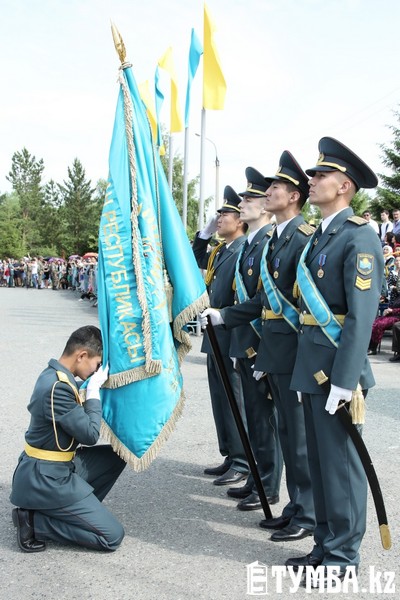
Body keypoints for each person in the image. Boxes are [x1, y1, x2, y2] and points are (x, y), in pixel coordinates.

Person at [202, 151, 316, 542]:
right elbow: (262, 299)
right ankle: (295, 506)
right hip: (268, 347)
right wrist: (226, 317)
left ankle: (305, 511)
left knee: (296, 438)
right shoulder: (270, 242)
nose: (265, 194)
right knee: (282, 431)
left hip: (292, 351)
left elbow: (304, 304)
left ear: (295, 196)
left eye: (273, 188)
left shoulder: (301, 237)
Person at [287, 137, 384, 581]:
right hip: (310, 368)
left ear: (344, 185)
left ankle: (343, 557)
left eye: (321, 175)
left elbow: (361, 318)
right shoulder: (321, 236)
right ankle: (324, 544)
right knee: (321, 466)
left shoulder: (359, 237)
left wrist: (345, 381)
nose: (313, 180)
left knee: (342, 468)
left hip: (337, 374)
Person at [10, 325, 126, 553]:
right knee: (112, 536)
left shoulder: (55, 374)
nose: (96, 370)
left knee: (117, 455)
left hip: (57, 467)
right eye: (96, 363)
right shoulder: (57, 388)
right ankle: (35, 521)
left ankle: (72, 512)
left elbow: (75, 393)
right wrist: (93, 392)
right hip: (45, 478)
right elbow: (90, 435)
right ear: (82, 355)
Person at [221, 167, 282, 511]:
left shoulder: (265, 243)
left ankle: (269, 486)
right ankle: (257, 478)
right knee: (256, 419)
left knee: (266, 420)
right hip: (246, 339)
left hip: (261, 341)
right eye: (242, 199)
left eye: (249, 198)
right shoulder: (252, 244)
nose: (242, 203)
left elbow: (268, 302)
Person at [192, 188, 249, 485]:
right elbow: (193, 263)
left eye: (224, 214)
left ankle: (242, 459)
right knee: (220, 397)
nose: (218, 218)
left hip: (232, 333)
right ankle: (230, 454)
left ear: (240, 220)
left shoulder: (242, 249)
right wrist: (202, 237)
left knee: (235, 399)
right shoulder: (221, 250)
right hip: (216, 334)